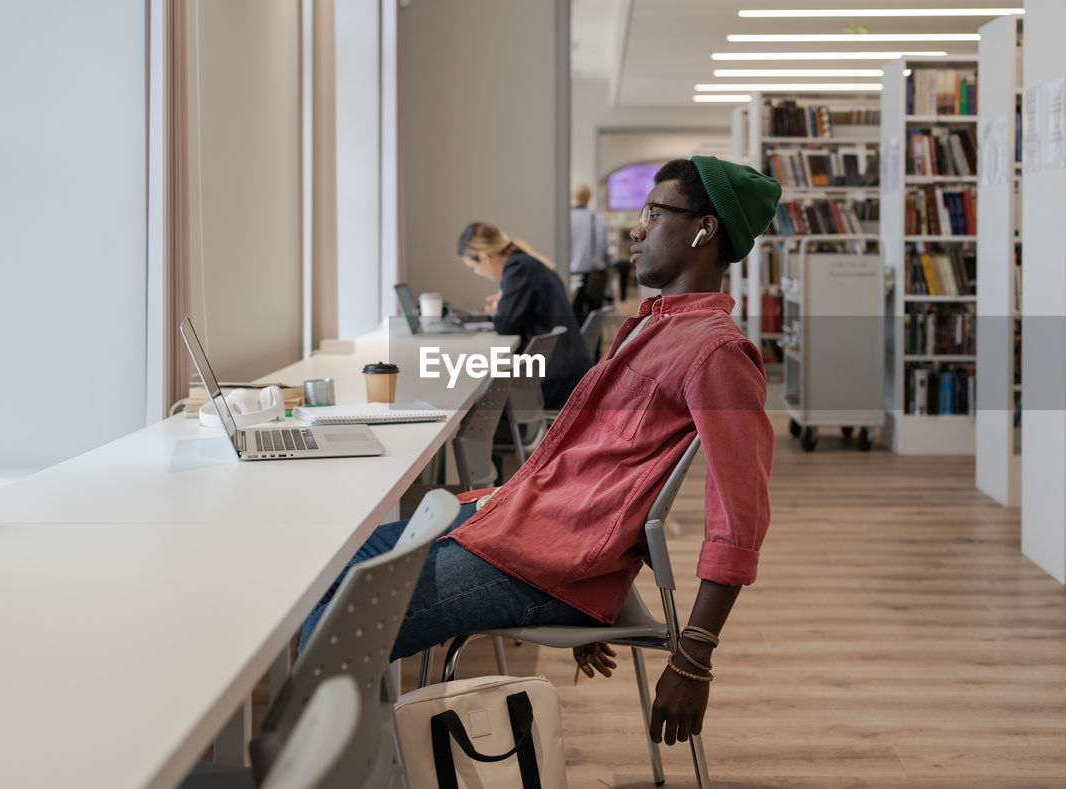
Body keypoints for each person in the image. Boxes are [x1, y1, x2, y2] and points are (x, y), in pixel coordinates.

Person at [299, 157, 780, 747]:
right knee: (322, 576)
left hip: (537, 563)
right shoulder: (653, 327)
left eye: (653, 214)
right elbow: (604, 475)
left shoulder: (716, 354)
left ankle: (342, 766)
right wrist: (603, 577)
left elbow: (741, 516)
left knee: (332, 630)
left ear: (704, 230)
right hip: (518, 526)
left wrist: (692, 658)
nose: (635, 229)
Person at [456, 222, 590, 409]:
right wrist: (505, 304)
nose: (476, 272)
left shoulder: (517, 269)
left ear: (484, 257)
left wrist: (504, 307)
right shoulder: (525, 262)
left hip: (557, 382)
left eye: (473, 266)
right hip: (567, 371)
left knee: (476, 403)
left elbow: (505, 327)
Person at [568, 184, 611, 324]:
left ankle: (577, 344)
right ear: (589, 198)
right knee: (594, 313)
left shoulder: (566, 217)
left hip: (573, 273)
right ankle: (595, 345)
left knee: (575, 311)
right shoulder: (596, 217)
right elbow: (605, 245)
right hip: (594, 273)